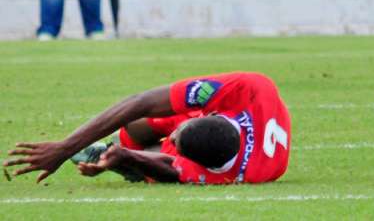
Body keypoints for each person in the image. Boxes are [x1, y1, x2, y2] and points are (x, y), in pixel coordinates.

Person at [4, 72, 291, 184]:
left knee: (152, 165)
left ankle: (111, 153)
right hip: (246, 109)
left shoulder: (233, 175)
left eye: (176, 140)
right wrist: (66, 147)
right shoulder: (250, 88)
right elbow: (140, 102)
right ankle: (118, 145)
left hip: (229, 138)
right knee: (135, 123)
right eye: (181, 131)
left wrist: (126, 159)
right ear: (208, 116)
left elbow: (172, 168)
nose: (173, 136)